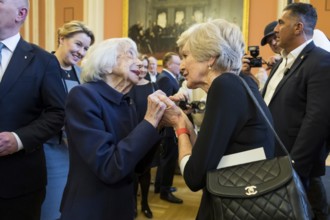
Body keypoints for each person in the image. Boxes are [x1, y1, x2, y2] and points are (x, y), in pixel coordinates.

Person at [158, 18, 275, 220]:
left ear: (211, 58)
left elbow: (194, 177)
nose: (182, 65)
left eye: (186, 56)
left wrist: (179, 124)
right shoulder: (241, 82)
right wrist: (184, 121)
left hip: (235, 205)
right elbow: (207, 156)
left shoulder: (224, 85)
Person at [59, 38, 167, 220]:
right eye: (130, 54)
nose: (140, 63)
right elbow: (110, 167)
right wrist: (149, 121)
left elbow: (138, 165)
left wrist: (158, 124)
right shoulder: (83, 95)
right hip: (90, 209)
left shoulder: (126, 101)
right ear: (106, 65)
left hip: (121, 208)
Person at [262, 3, 330, 219]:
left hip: (295, 164)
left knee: (311, 211)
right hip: (272, 157)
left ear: (298, 27)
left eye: (281, 23)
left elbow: (317, 119)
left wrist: (294, 166)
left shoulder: (321, 60)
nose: (276, 29)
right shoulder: (281, 62)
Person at [0, 0, 66, 219]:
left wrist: (18, 139)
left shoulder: (43, 61)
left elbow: (57, 113)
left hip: (17, 183)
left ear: (21, 13)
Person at [41, 20, 95, 220]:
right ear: (62, 38)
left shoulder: (82, 75)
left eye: (86, 48)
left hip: (73, 153)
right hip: (46, 149)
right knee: (50, 208)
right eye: (78, 44)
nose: (81, 52)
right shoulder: (41, 66)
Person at [129, 55, 157, 218]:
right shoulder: (127, 85)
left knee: (145, 172)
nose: (142, 69)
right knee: (132, 173)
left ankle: (145, 203)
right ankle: (132, 204)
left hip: (147, 134)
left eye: (145, 67)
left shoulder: (153, 86)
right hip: (130, 134)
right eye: (139, 66)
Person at [155, 52, 183, 204]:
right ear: (168, 64)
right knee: (168, 159)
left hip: (168, 126)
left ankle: (160, 186)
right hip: (168, 127)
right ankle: (165, 190)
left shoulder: (167, 77)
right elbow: (165, 105)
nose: (180, 66)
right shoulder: (165, 78)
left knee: (165, 158)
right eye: (177, 63)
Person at [242, 21, 281, 90]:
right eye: (269, 42)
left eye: (275, 38)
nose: (273, 43)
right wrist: (248, 74)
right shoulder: (275, 64)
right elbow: (263, 92)